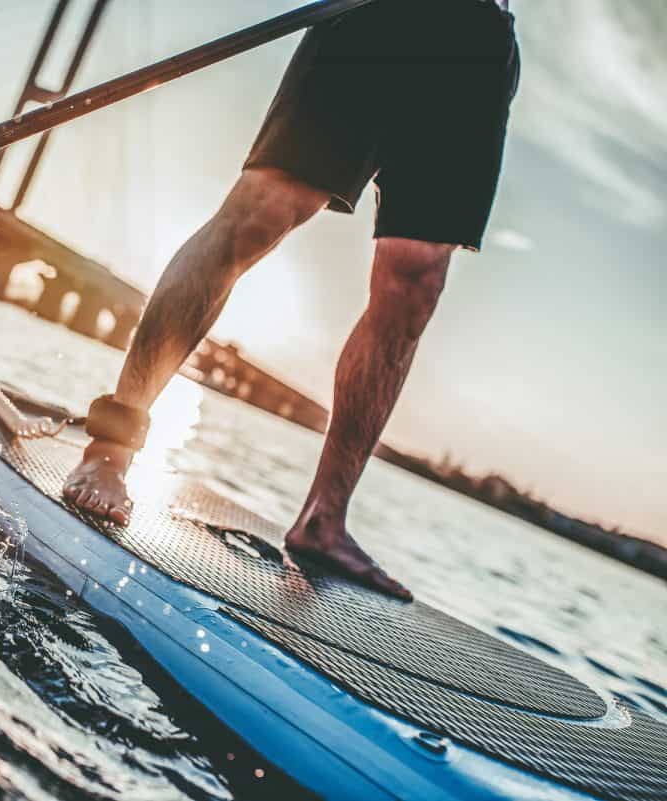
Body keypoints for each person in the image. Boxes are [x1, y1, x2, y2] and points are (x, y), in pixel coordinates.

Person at [62, 0, 520, 600]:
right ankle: (112, 446)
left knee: (417, 278)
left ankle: (324, 521)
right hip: (382, 15)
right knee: (264, 209)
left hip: (478, 38)